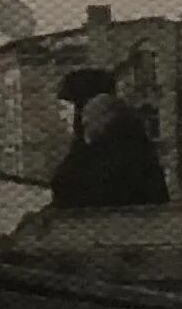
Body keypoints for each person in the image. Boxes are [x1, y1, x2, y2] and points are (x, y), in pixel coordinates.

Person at [49, 67, 171, 209]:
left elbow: (74, 191)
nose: (62, 117)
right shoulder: (128, 141)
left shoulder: (112, 150)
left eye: (66, 108)